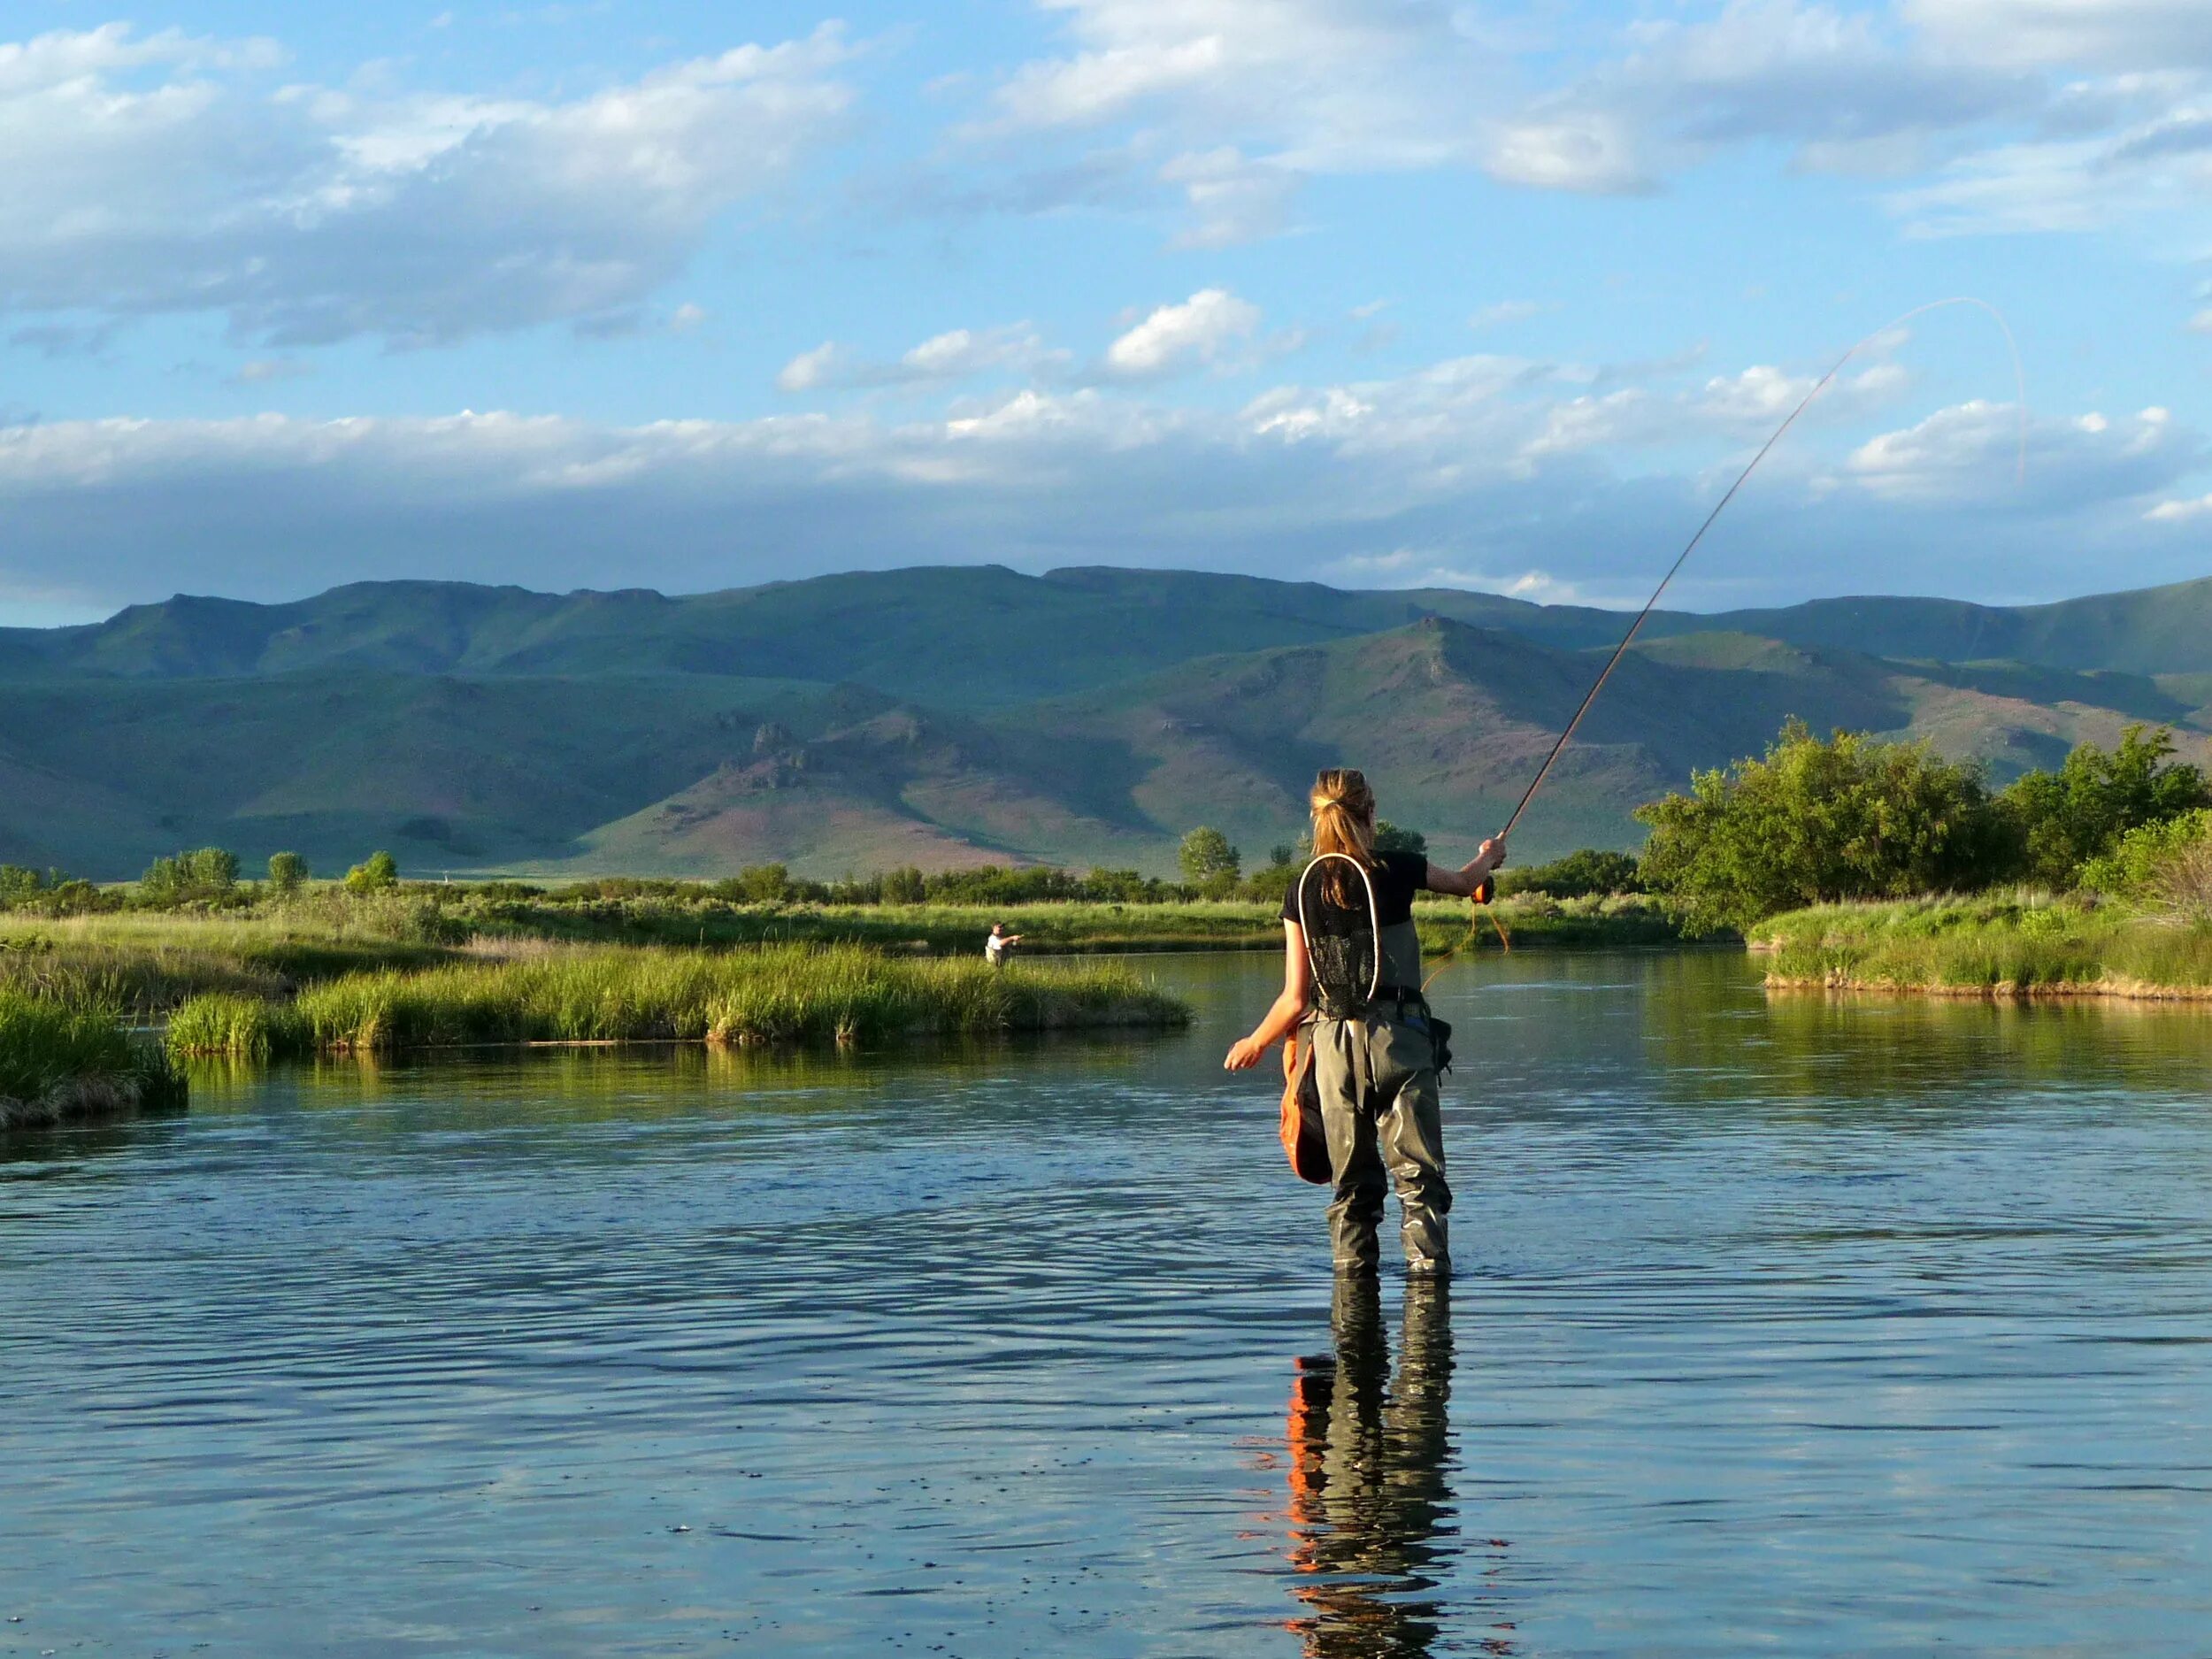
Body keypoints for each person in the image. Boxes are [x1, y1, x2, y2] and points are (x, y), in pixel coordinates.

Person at [1225, 768, 1505, 1277]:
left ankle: (1352, 1298)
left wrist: (1255, 1042)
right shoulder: (1395, 868)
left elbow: (1294, 999)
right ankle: (1428, 1294)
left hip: (1332, 1051)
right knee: (1417, 1179)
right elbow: (1467, 883)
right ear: (1370, 813)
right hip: (1399, 1041)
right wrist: (1490, 857)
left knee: (1351, 1185)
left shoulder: (1300, 890)